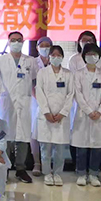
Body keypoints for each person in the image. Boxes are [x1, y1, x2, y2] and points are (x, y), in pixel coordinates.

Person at [0, 31, 36, 183]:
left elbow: (35, 82)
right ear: (8, 42)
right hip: (6, 103)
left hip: (24, 103)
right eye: (13, 40)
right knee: (6, 137)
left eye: (19, 40)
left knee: (23, 137)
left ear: (23, 42)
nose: (16, 42)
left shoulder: (30, 61)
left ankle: (21, 169)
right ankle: (4, 167)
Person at [72, 43, 101, 187]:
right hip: (83, 115)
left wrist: (100, 111)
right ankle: (81, 173)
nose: (91, 56)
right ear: (84, 56)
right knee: (81, 147)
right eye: (88, 54)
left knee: (97, 147)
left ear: (98, 57)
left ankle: (94, 174)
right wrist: (89, 111)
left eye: (94, 54)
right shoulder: (78, 74)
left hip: (99, 116)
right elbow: (78, 94)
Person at [35, 45, 74, 187]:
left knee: (60, 149)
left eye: (58, 55)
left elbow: (71, 94)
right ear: (49, 57)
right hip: (46, 116)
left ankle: (57, 173)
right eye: (53, 55)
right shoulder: (42, 73)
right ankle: (47, 173)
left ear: (62, 57)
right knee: (45, 148)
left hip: (61, 117)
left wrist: (63, 113)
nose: (56, 57)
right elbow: (39, 92)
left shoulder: (68, 74)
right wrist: (46, 112)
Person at [30, 35, 53, 177]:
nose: (45, 48)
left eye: (47, 46)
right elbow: (31, 83)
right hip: (35, 101)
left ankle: (47, 163)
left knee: (49, 132)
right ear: (37, 48)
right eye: (42, 46)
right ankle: (36, 163)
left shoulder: (55, 61)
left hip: (52, 103)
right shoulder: (33, 62)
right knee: (35, 133)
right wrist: (40, 100)